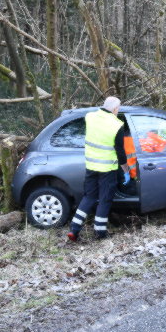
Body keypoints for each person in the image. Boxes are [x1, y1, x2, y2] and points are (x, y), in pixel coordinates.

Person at [68, 97, 128, 241]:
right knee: (105, 199)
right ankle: (100, 232)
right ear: (115, 109)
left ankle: (74, 230)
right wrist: (126, 170)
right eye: (118, 108)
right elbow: (120, 151)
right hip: (107, 169)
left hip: (91, 166)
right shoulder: (117, 125)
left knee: (89, 197)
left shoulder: (90, 117)